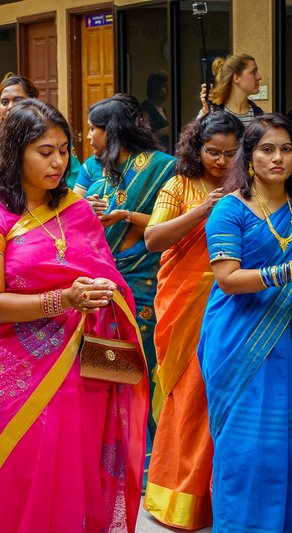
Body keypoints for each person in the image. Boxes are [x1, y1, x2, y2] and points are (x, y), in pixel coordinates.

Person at [0, 98, 149, 532]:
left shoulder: (78, 210)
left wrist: (107, 295)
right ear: (15, 152)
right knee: (19, 480)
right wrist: (63, 301)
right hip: (13, 372)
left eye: (64, 149)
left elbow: (110, 279)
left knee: (76, 478)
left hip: (83, 370)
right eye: (45, 151)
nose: (59, 161)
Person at [198, 113, 292, 531]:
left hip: (290, 340)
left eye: (286, 149)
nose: (278, 158)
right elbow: (227, 279)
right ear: (249, 155)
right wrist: (290, 271)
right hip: (240, 343)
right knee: (249, 454)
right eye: (267, 149)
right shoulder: (229, 210)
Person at [142, 112, 244, 530]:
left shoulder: (249, 187)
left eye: (231, 153)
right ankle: (180, 497)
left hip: (234, 301)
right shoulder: (179, 184)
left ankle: (227, 495)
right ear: (195, 148)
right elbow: (153, 238)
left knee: (226, 400)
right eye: (212, 152)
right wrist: (203, 209)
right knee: (188, 397)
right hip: (184, 305)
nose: (220, 162)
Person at [73, 94, 176, 471]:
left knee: (143, 368)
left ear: (111, 130)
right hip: (99, 277)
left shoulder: (165, 168)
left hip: (143, 281)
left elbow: (171, 224)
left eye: (93, 129)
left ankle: (149, 457)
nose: (88, 136)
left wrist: (127, 214)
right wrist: (89, 211)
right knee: (105, 368)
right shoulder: (91, 168)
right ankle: (112, 453)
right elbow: (70, 212)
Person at [200, 54, 264, 128]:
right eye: (253, 72)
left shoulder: (260, 116)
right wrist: (205, 114)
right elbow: (194, 137)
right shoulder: (211, 111)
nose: (259, 77)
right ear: (236, 78)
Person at [141, 71, 170, 152]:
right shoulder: (146, 107)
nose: (167, 90)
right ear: (154, 88)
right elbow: (143, 137)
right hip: (153, 154)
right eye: (164, 86)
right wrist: (162, 132)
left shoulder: (163, 109)